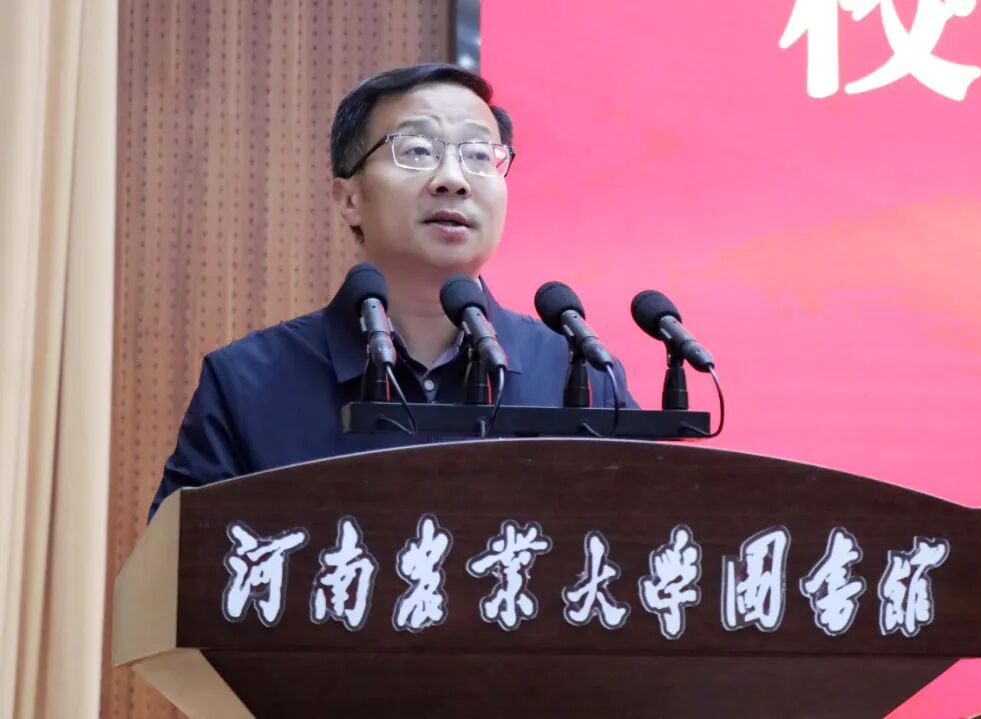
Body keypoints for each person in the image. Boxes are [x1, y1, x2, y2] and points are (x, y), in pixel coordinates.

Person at [149, 63, 635, 518]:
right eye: (418, 150)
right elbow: (177, 567)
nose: (453, 180)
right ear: (349, 198)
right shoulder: (248, 383)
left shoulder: (579, 377)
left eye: (477, 155)